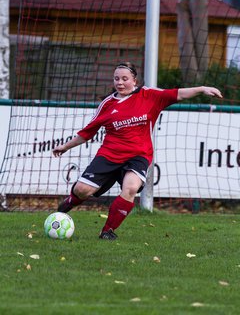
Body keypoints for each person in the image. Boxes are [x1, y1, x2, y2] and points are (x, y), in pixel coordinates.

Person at [53, 62, 222, 240]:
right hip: (109, 155)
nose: (120, 82)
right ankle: (69, 203)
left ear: (134, 80)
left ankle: (107, 231)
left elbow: (178, 93)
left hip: (138, 155)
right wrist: (65, 147)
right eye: (116, 79)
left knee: (131, 188)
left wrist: (202, 88)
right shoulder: (107, 104)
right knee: (82, 190)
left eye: (125, 79)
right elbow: (87, 132)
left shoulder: (149, 95)